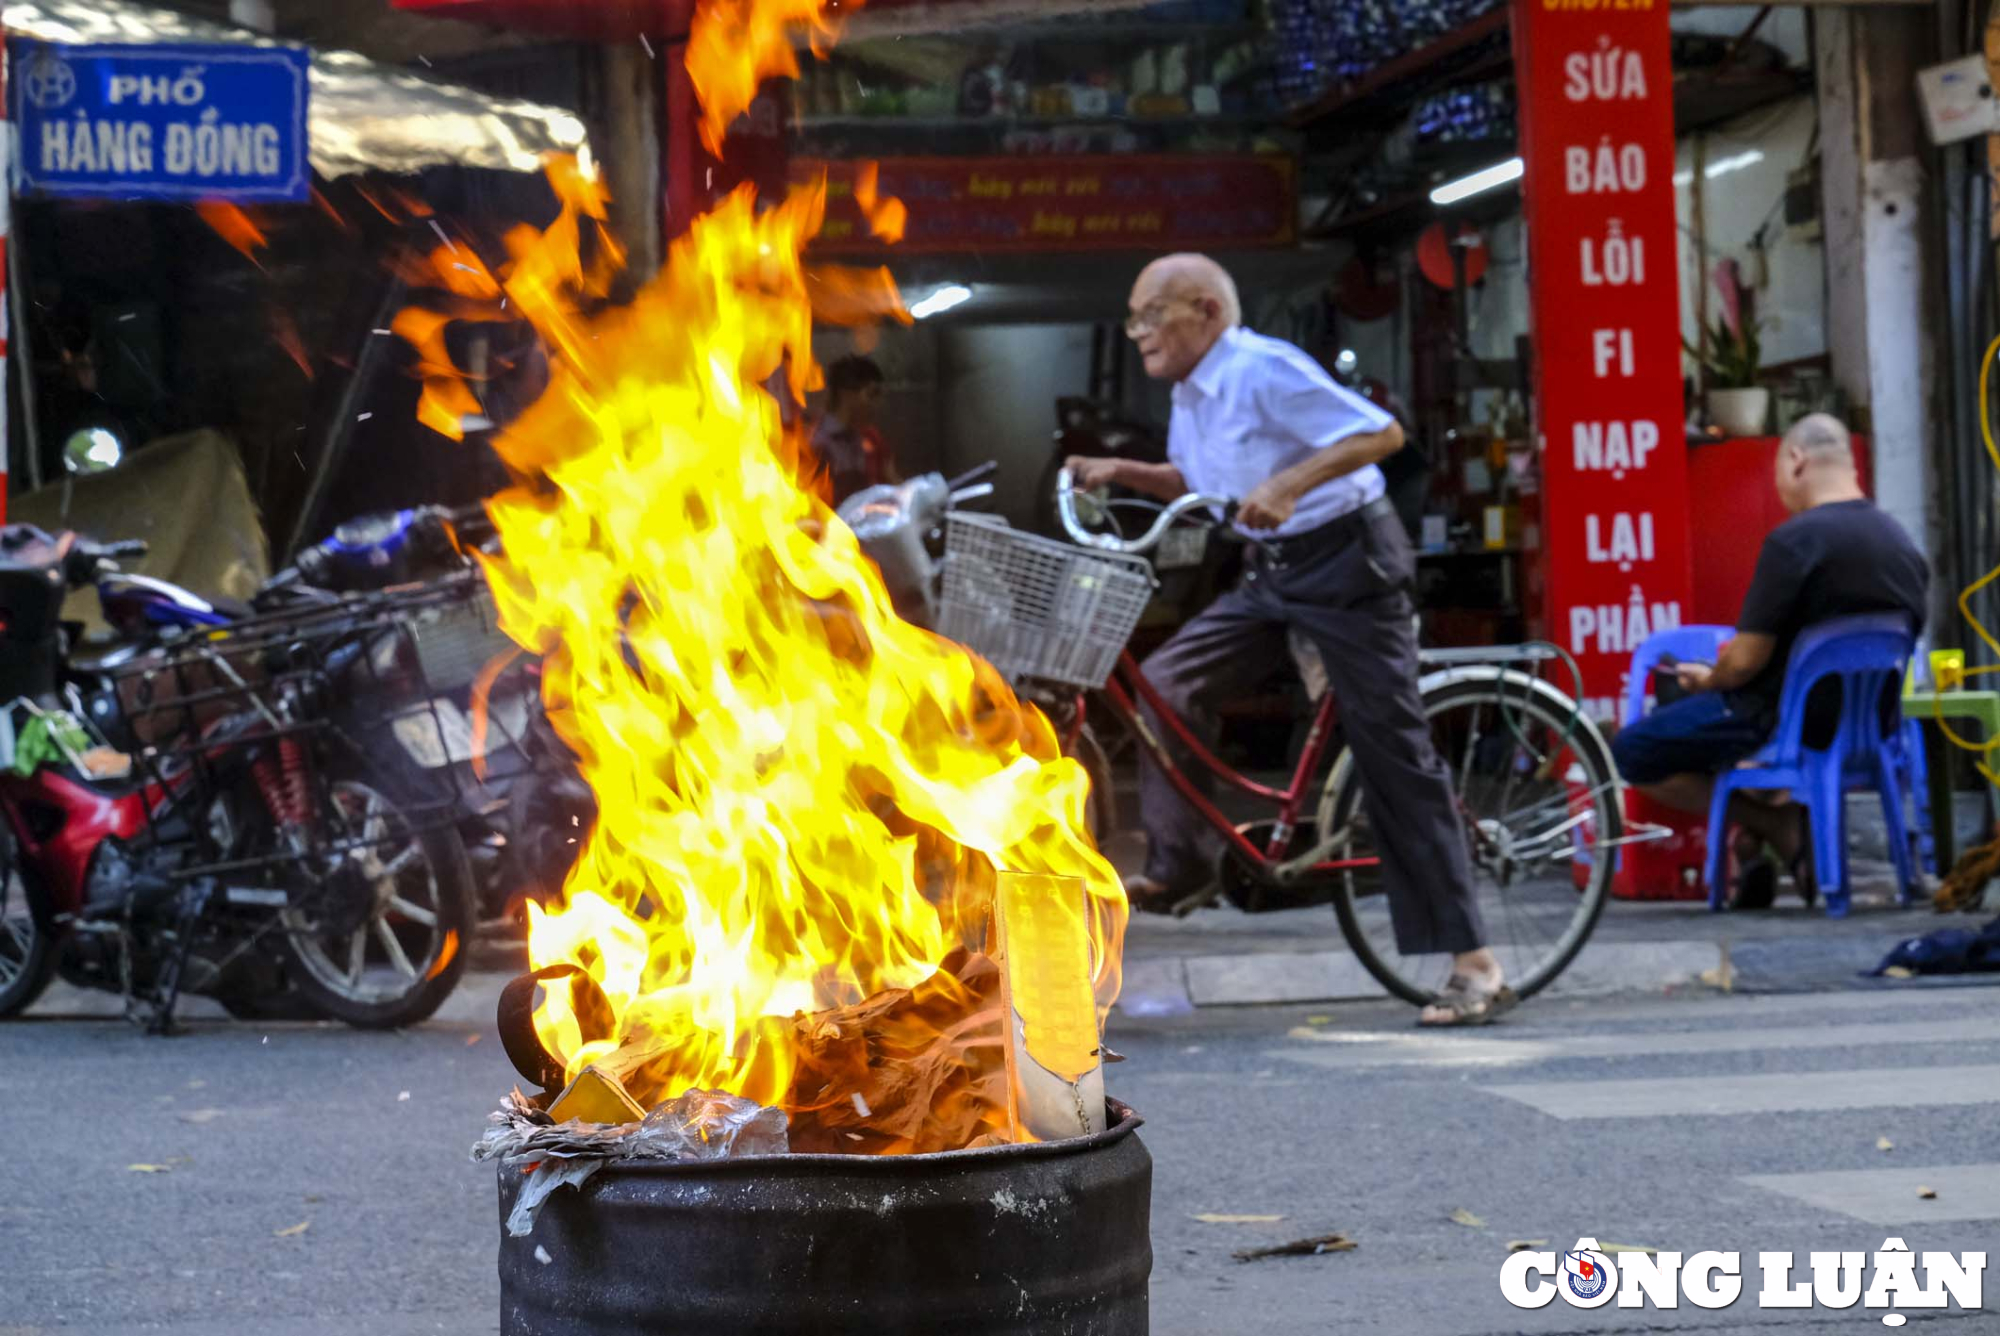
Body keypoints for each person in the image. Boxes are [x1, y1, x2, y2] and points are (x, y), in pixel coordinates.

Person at [1066, 253, 1509, 1026]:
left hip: (1349, 563)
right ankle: (1183, 867)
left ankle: (1475, 964)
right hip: (1274, 570)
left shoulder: (1262, 369)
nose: (1138, 333)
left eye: (1150, 315)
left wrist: (1288, 484)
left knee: (1390, 753)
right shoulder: (1191, 393)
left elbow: (1380, 433)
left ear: (1205, 310)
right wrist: (1124, 471)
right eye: (1133, 318)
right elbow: (1203, 478)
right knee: (1166, 684)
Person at [1611, 413, 1929, 906]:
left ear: (1797, 461)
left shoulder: (1795, 542)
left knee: (1633, 749)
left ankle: (1771, 824)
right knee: (1736, 725)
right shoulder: (1901, 543)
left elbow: (1743, 662)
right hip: (1871, 727)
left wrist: (1708, 678)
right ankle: (1764, 839)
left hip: (1781, 723)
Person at [813, 355, 898, 505]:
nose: (877, 404)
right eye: (871, 394)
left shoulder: (873, 438)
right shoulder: (816, 441)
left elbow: (893, 482)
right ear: (846, 394)